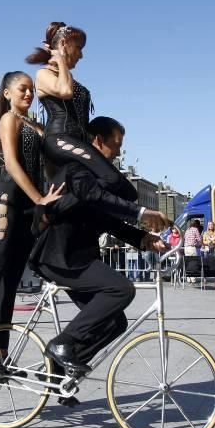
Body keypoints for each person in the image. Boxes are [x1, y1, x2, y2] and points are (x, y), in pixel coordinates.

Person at [29, 116, 166, 377]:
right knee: (121, 289)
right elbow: (95, 197)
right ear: (98, 141)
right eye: (115, 145)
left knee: (115, 322)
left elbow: (107, 219)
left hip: (79, 258)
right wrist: (141, 212)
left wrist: (142, 239)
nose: (118, 152)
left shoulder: (98, 178)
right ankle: (62, 344)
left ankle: (59, 369)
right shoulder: (77, 169)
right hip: (60, 256)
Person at [0, 71, 63, 374]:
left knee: (11, 280)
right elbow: (11, 163)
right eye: (22, 89)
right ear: (6, 93)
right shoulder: (10, 120)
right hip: (8, 200)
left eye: (32, 90)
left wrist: (52, 195)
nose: (29, 94)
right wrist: (39, 198)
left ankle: (2, 347)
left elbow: (47, 168)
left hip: (27, 206)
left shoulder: (37, 125)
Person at [27, 22, 136, 206]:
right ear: (63, 44)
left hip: (78, 143)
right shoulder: (43, 74)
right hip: (59, 139)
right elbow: (65, 92)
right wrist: (60, 59)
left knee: (128, 192)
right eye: (78, 48)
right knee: (112, 180)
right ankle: (50, 211)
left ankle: (69, 204)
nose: (81, 55)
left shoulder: (66, 77)